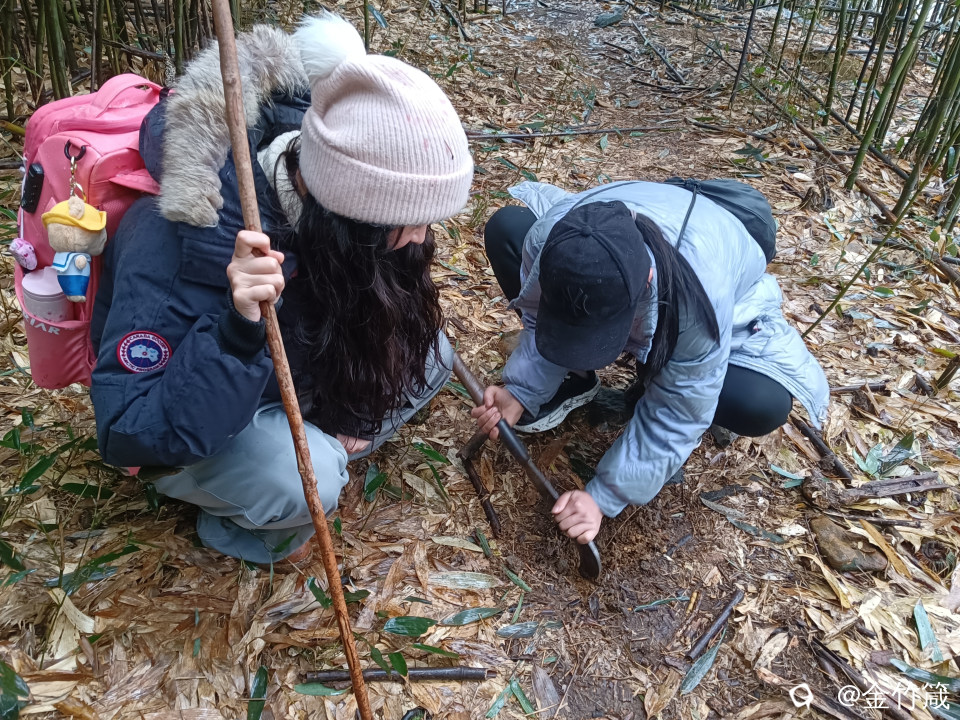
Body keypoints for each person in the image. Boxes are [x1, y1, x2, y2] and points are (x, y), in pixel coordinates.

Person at [89, 13, 473, 564]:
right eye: (409, 221)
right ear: (349, 215)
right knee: (301, 480)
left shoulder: (346, 216)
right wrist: (237, 329)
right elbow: (129, 431)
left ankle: (324, 441)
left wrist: (351, 419)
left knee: (433, 354)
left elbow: (377, 309)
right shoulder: (174, 242)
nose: (421, 238)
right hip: (211, 409)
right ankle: (247, 532)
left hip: (297, 372)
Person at [473, 181, 829, 545]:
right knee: (509, 228)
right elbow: (537, 315)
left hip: (704, 291)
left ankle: (651, 365)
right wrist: (520, 391)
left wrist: (603, 497)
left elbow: (678, 413)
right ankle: (576, 377)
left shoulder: (698, 296)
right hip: (647, 269)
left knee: (759, 403)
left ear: (645, 281)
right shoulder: (551, 239)